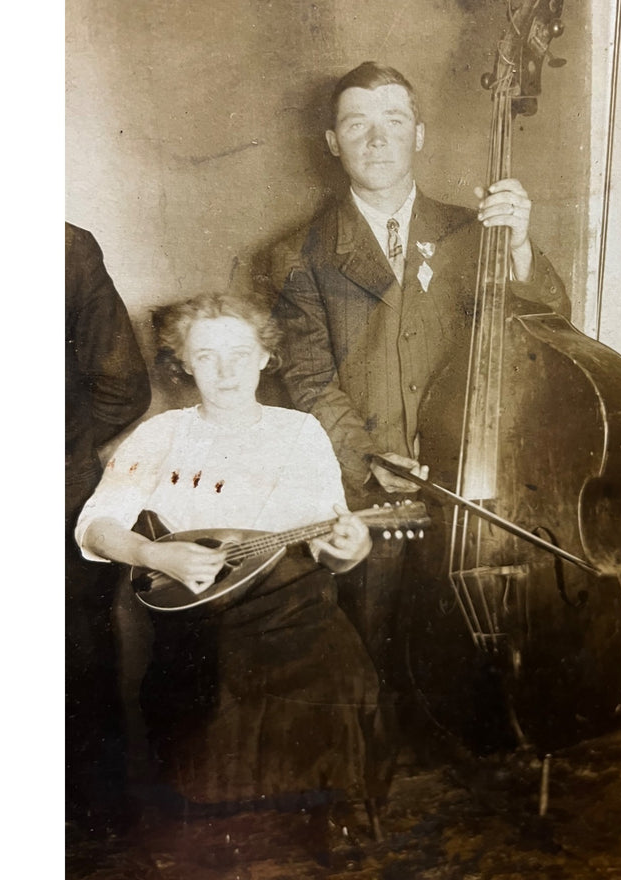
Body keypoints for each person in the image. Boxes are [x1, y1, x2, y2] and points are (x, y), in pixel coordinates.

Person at [272, 62, 571, 700]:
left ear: (420, 135)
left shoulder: (478, 233)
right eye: (357, 125)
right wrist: (370, 459)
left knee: (478, 674)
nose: (376, 141)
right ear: (332, 142)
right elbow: (310, 380)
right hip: (369, 494)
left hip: (475, 483)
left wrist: (519, 248)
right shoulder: (301, 253)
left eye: (393, 121)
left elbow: (543, 332)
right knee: (374, 663)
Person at [74, 292, 387, 845]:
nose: (225, 371)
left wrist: (351, 544)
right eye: (207, 356)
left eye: (240, 354)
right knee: (215, 685)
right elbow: (96, 525)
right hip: (200, 609)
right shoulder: (161, 434)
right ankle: (219, 828)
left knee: (337, 669)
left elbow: (331, 552)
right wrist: (152, 554)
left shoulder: (300, 432)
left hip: (295, 602)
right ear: (184, 363)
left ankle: (328, 808)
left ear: (266, 357)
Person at [66, 222, 152, 838]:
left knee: (76, 652)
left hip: (51, 489)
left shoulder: (63, 247)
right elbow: (121, 389)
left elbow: (123, 386)